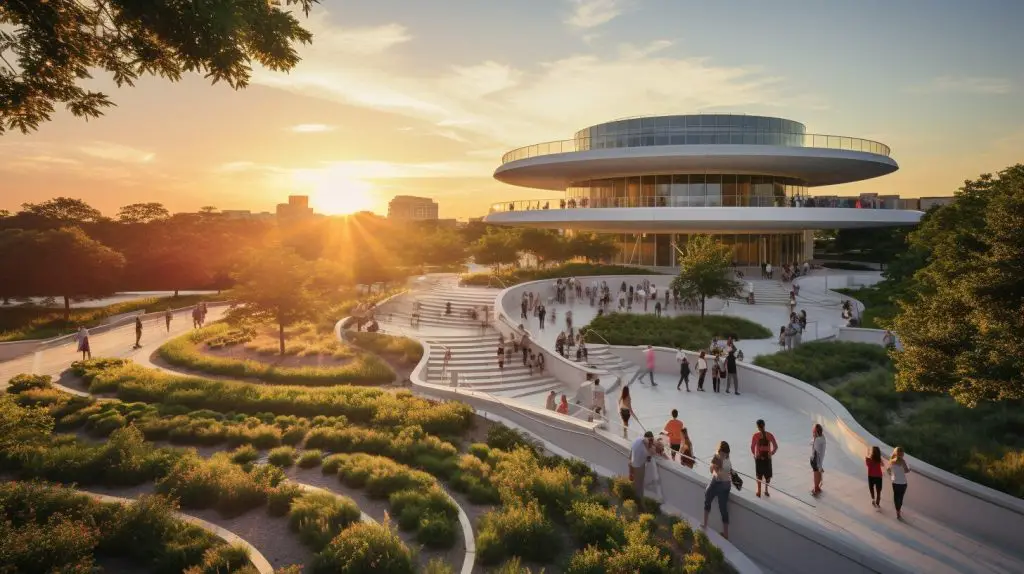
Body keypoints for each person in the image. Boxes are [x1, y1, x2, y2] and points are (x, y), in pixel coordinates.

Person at [702, 441, 733, 540]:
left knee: (723, 509)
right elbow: (713, 470)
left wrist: (732, 474)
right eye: (723, 453)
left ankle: (726, 534)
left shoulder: (727, 458)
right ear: (720, 451)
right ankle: (705, 524)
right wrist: (716, 475)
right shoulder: (717, 457)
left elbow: (728, 470)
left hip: (725, 486)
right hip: (716, 483)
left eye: (726, 453)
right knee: (707, 498)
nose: (725, 455)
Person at [750, 419, 779, 498]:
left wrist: (755, 455)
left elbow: (752, 447)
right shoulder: (769, 435)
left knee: (759, 475)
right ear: (764, 425)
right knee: (767, 475)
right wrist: (771, 453)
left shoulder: (756, 436)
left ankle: (759, 491)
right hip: (767, 458)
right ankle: (766, 490)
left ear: (757, 427)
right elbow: (776, 446)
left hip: (759, 458)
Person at [629, 431, 655, 500]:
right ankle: (638, 501)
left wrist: (630, 473)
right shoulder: (642, 440)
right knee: (639, 486)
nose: (651, 441)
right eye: (651, 439)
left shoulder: (637, 442)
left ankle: (636, 499)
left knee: (637, 485)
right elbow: (646, 441)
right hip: (638, 467)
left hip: (637, 465)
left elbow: (630, 459)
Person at [888, 446, 911, 519]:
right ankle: (899, 511)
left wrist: (892, 478)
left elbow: (888, 470)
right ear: (902, 454)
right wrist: (909, 469)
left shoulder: (892, 461)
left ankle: (897, 511)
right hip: (903, 483)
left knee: (896, 497)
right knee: (900, 497)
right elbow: (907, 471)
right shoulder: (903, 461)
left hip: (895, 482)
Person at [810, 424, 826, 495]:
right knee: (818, 473)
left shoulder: (817, 440)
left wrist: (819, 466)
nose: (812, 432)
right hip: (819, 460)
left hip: (816, 460)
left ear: (816, 432)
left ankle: (816, 488)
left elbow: (816, 453)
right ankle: (817, 487)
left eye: (813, 431)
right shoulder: (822, 437)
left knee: (816, 474)